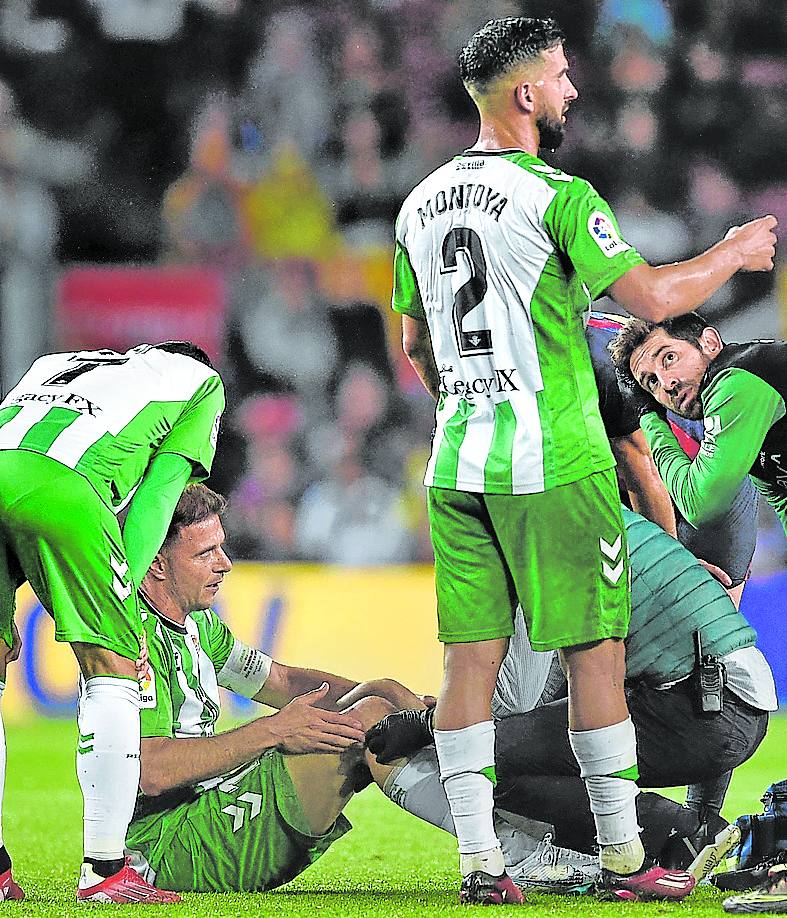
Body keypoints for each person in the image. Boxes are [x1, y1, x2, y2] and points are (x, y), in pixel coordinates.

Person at [391, 14, 776, 904]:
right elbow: (651, 295)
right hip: (552, 461)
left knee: (467, 665)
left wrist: (473, 401)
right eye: (560, 78)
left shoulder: (418, 204)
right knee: (595, 656)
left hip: (456, 463)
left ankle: (480, 866)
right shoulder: (554, 194)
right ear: (524, 95)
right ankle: (623, 858)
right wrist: (733, 251)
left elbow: (415, 345)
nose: (570, 92)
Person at [123, 484, 557, 892]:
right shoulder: (131, 644)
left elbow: (281, 681)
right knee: (372, 722)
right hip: (169, 845)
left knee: (384, 700)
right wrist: (274, 730)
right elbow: (151, 772)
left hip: (210, 805)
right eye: (205, 553)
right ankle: (517, 852)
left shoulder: (197, 624)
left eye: (221, 547)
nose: (226, 563)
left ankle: (533, 834)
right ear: (157, 563)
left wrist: (415, 711)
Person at [366, 506, 777, 893]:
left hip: (699, 711)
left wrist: (424, 725)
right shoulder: (596, 516)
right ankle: (702, 832)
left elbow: (510, 705)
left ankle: (663, 835)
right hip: (739, 702)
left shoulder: (534, 544)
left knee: (482, 761)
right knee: (545, 736)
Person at [0, 341, 225, 903]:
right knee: (114, 670)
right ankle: (105, 872)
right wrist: (131, 614)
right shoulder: (199, 382)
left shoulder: (62, 362)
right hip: (65, 488)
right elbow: (157, 498)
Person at [609, 313, 787, 545]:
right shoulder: (748, 415)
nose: (666, 383)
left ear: (710, 343)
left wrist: (647, 415)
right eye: (651, 382)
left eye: (669, 358)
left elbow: (698, 504)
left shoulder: (736, 384)